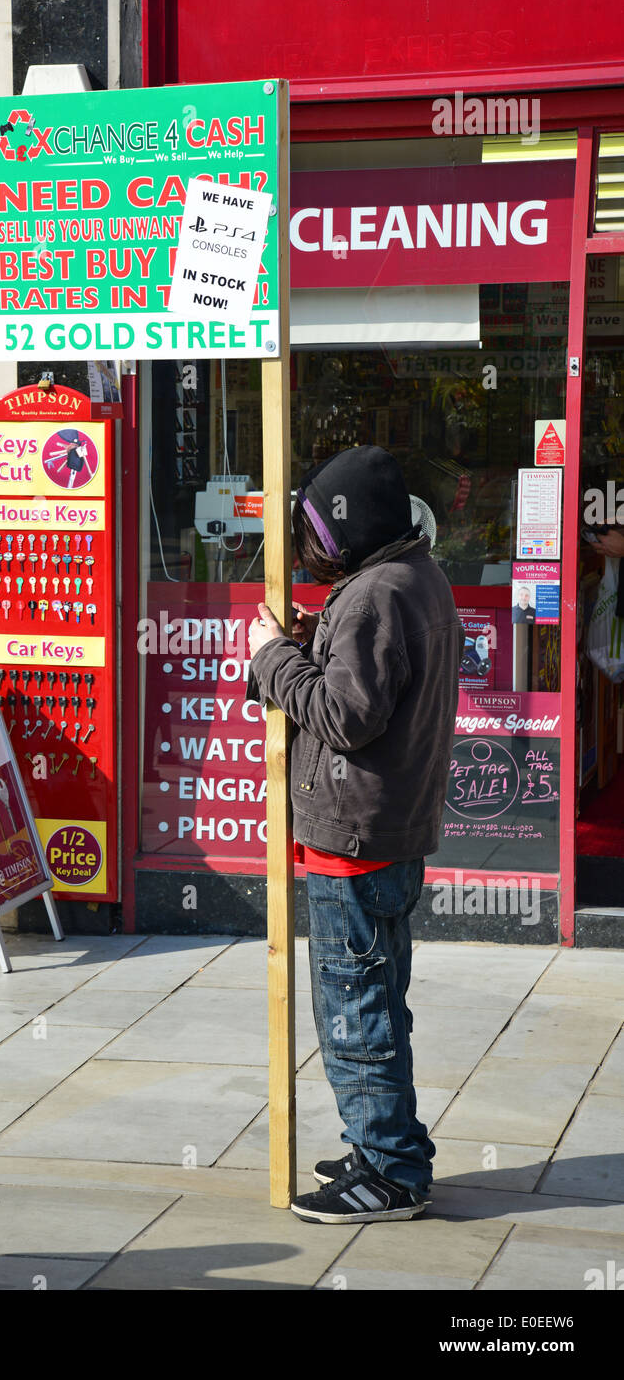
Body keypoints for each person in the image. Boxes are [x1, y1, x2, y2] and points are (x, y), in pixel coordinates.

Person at [247, 445, 463, 1224]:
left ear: (345, 530)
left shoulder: (374, 594)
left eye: (312, 533)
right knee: (375, 1001)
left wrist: (272, 658)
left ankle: (390, 1171)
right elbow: (370, 682)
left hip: (355, 838)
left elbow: (343, 716)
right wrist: (314, 642)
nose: (306, 552)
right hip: (385, 832)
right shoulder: (411, 577)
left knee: (353, 1013)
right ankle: (383, 1144)